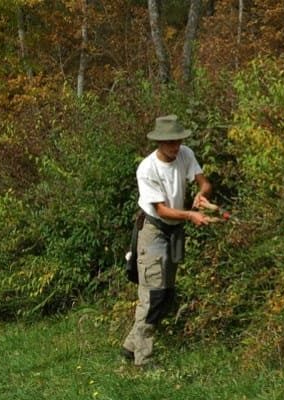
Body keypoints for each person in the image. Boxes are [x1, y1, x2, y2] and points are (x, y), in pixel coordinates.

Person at [122, 114, 213, 367]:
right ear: (159, 142)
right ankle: (144, 359)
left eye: (178, 141)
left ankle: (130, 347)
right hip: (153, 229)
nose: (176, 147)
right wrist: (191, 214)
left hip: (175, 230)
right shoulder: (147, 168)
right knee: (153, 295)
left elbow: (204, 183)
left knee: (167, 293)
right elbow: (161, 210)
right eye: (170, 142)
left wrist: (201, 196)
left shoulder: (185, 154)